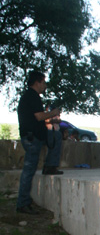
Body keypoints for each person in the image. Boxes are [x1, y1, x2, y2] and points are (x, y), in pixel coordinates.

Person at [16, 70, 63, 214]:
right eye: (44, 82)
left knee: (57, 136)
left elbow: (38, 117)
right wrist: (53, 113)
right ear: (37, 82)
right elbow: (39, 116)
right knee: (29, 170)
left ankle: (50, 166)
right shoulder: (31, 96)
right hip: (32, 137)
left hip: (36, 135)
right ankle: (23, 203)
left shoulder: (31, 96)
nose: (45, 85)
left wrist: (51, 119)